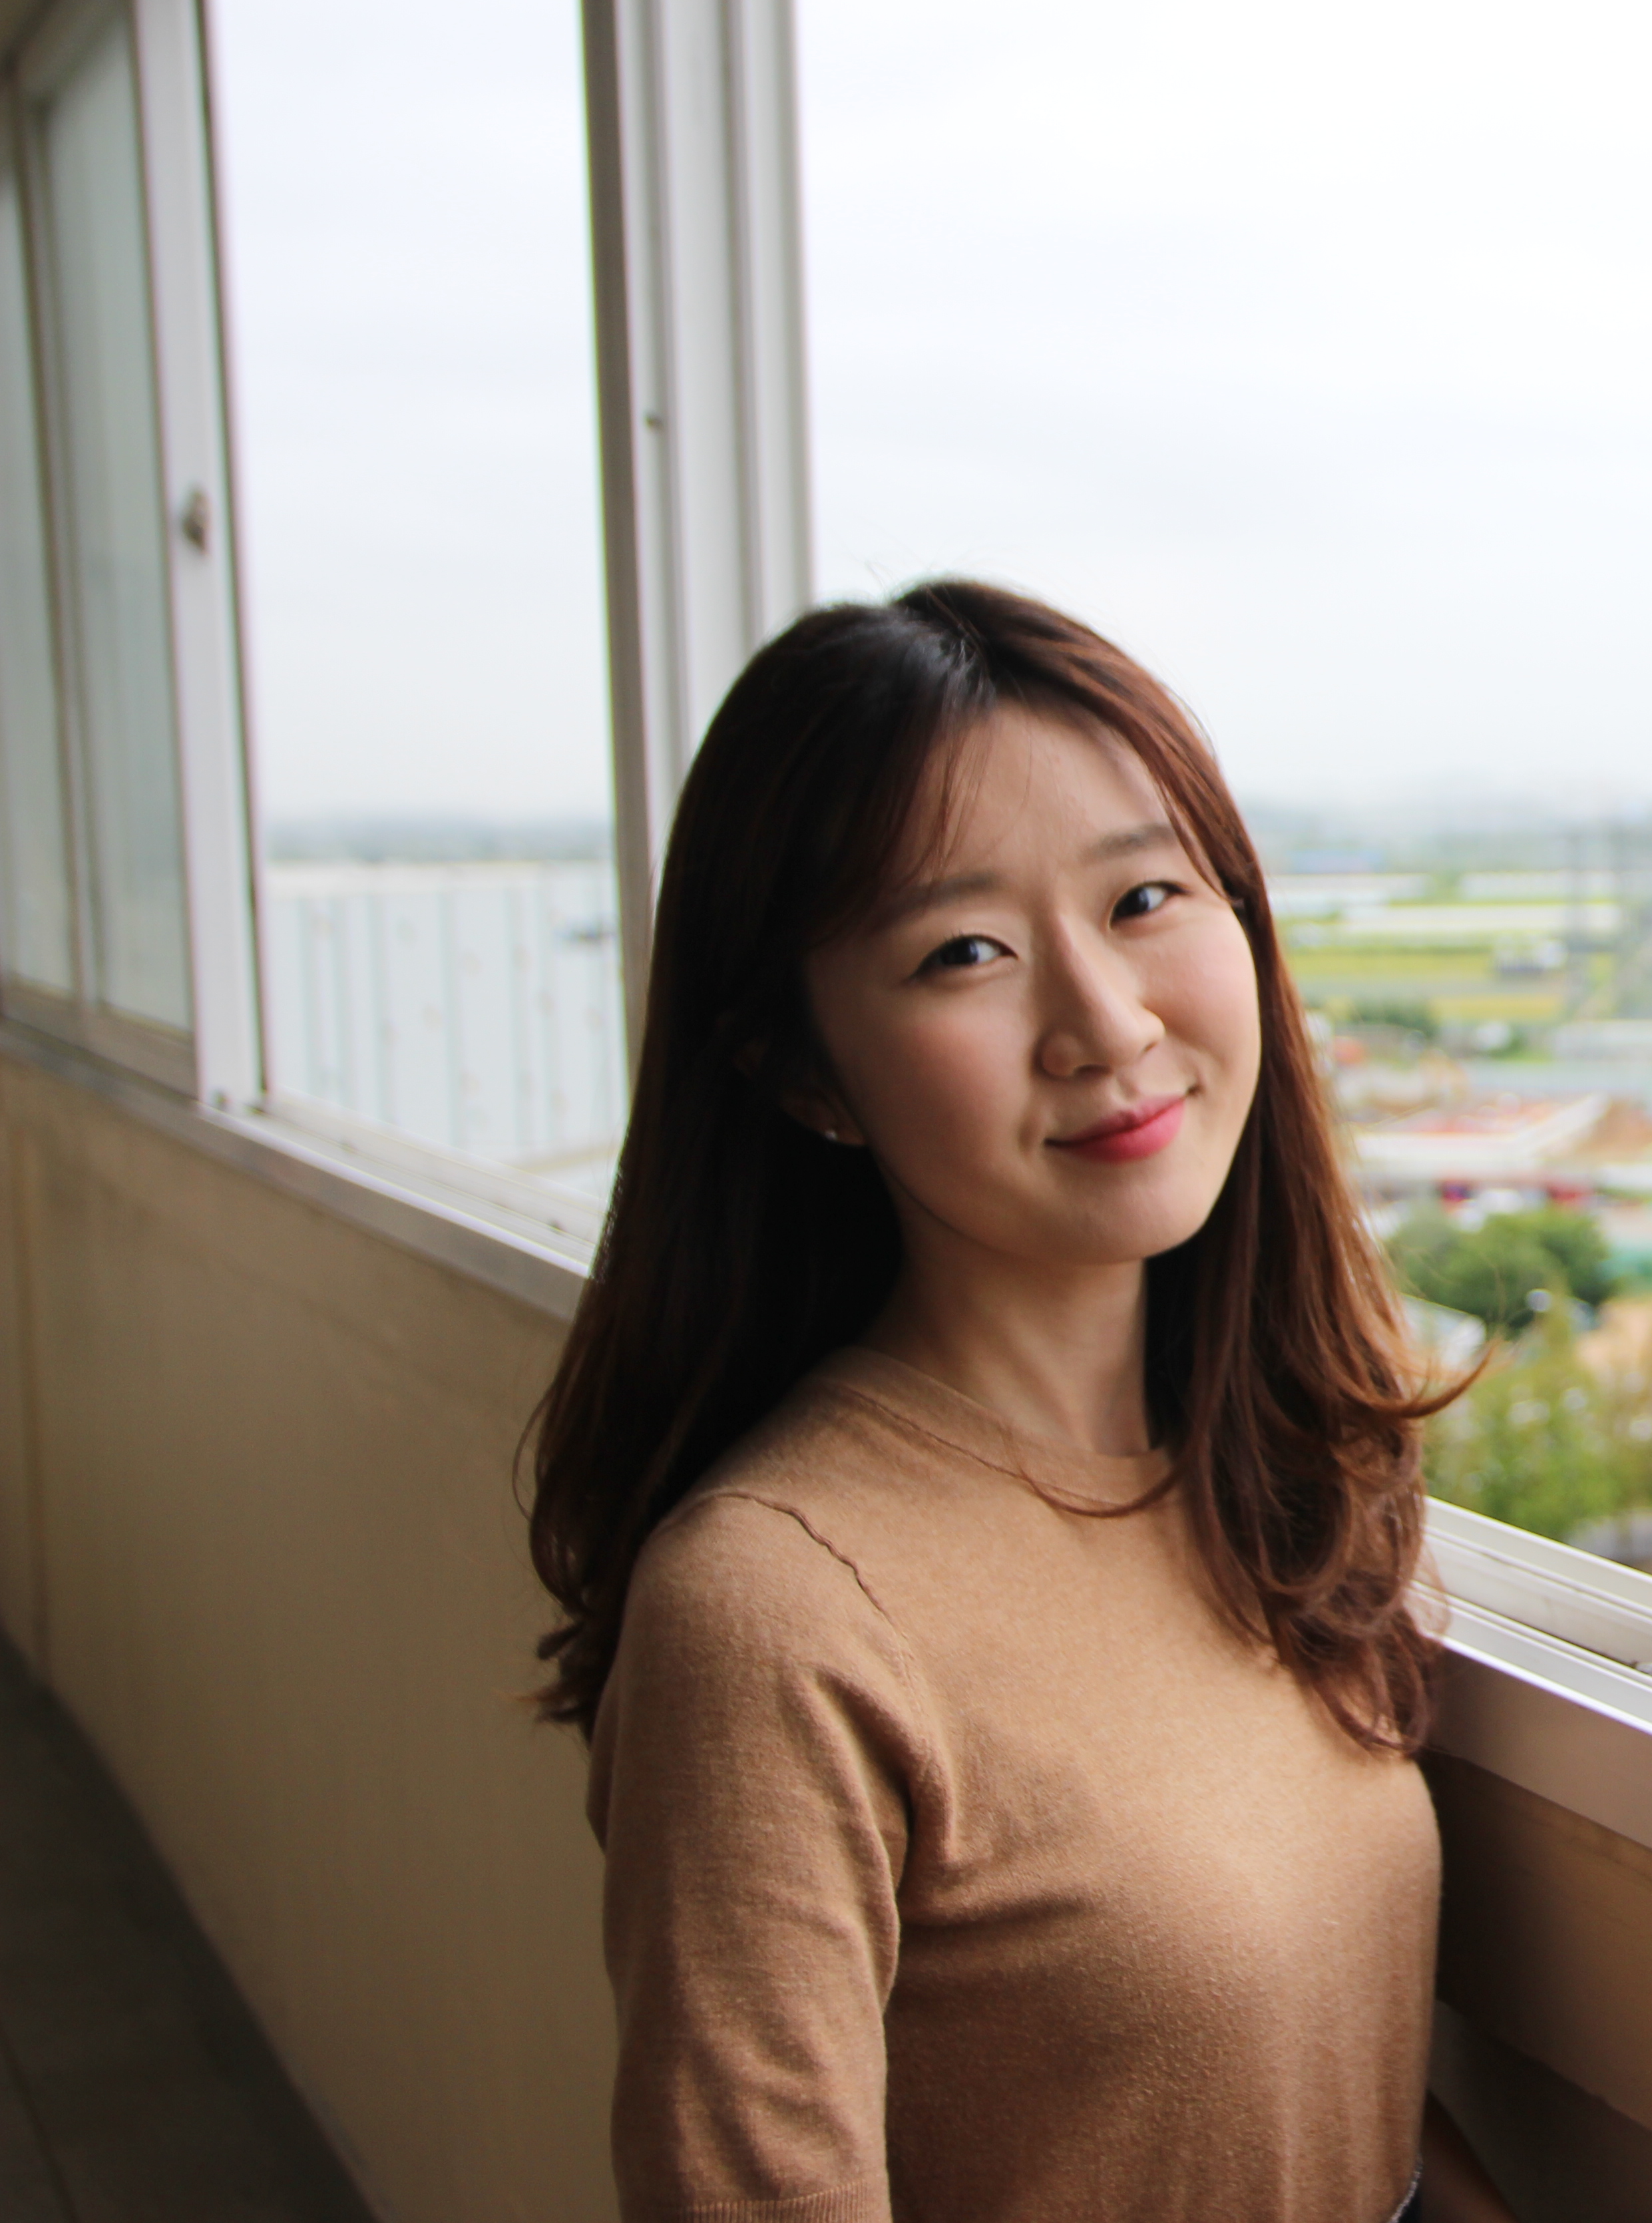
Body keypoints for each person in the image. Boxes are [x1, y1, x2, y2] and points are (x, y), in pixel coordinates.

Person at [526, 582, 1510, 2223]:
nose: (1107, 1023)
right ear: (805, 1075)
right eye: (963, 951)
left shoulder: (1266, 1477)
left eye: (1144, 897)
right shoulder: (774, 1615)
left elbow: (1344, 2115)